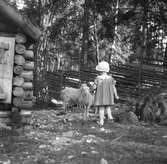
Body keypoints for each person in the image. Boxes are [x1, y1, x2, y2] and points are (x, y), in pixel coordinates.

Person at [93, 61, 119, 126]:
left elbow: (94, 87)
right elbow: (114, 88)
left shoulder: (98, 78)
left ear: (100, 71)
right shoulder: (111, 79)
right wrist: (116, 95)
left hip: (100, 97)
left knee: (101, 109)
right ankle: (110, 118)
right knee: (108, 107)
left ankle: (101, 121)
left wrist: (92, 88)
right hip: (108, 97)